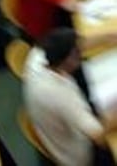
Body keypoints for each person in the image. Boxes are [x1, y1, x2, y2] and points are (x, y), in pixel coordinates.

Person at [24, 28, 117, 166]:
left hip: (63, 130)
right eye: (78, 54)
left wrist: (109, 37)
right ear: (69, 59)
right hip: (81, 155)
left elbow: (78, 45)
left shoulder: (38, 56)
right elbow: (99, 137)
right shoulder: (61, 96)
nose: (82, 53)